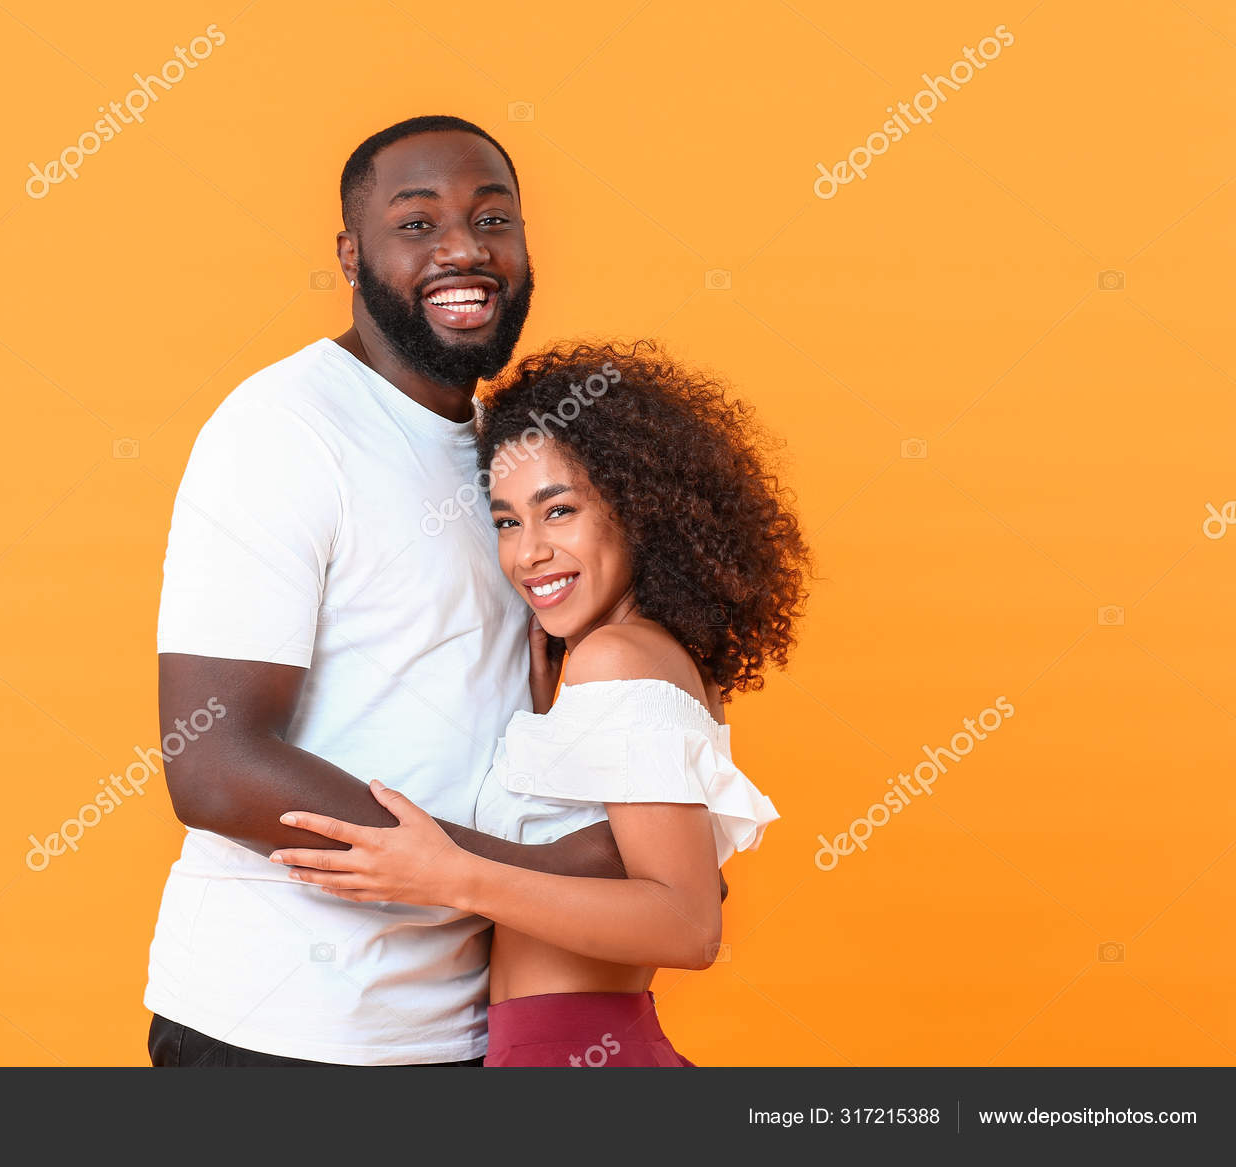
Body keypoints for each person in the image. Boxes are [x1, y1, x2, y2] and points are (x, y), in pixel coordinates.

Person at [144, 115, 631, 1067]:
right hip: (278, 1032)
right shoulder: (282, 430)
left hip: (464, 1027)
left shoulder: (515, 462)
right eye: (416, 224)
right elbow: (212, 764)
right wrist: (531, 875)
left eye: (493, 218)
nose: (464, 250)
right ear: (350, 255)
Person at [272, 341, 811, 1066]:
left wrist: (451, 875)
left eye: (558, 510)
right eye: (506, 521)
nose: (528, 552)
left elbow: (688, 924)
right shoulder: (656, 658)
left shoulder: (616, 659)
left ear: (638, 509)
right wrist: (543, 721)